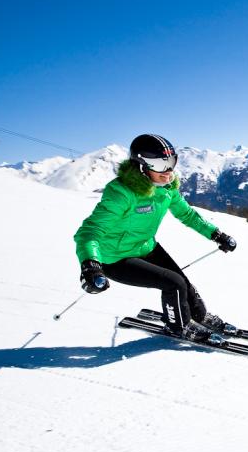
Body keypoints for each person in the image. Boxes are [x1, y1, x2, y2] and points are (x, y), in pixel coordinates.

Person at [73, 134, 237, 340]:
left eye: (171, 162)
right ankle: (178, 326)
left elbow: (187, 214)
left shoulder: (167, 189)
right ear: (141, 166)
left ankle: (200, 316)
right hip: (115, 258)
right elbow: (89, 231)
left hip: (146, 247)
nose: (168, 171)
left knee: (184, 284)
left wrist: (216, 234)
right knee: (173, 283)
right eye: (160, 164)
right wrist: (90, 264)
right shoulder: (122, 193)